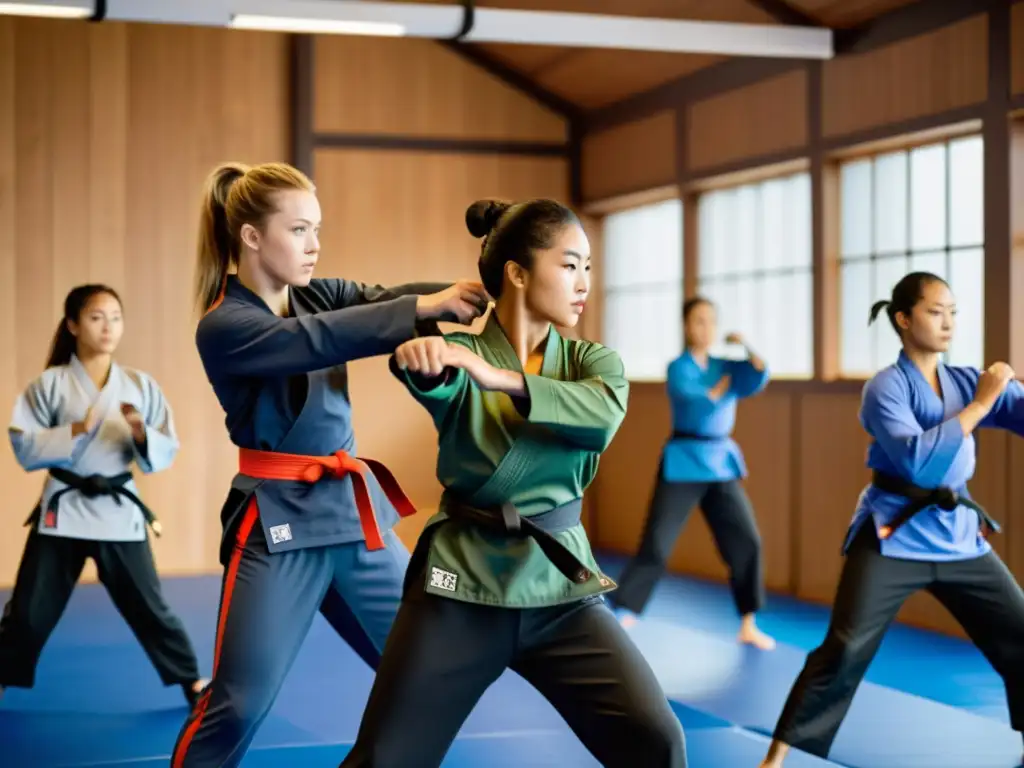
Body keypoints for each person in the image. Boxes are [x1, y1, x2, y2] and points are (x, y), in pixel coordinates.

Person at [339, 198, 687, 768]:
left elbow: (600, 418)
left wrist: (497, 378)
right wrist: (422, 358)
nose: (584, 283)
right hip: (461, 586)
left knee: (658, 740)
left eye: (589, 268)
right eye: (569, 265)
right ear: (518, 273)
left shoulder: (593, 361)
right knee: (385, 757)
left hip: (559, 589)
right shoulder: (461, 352)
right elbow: (437, 378)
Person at [170, 161, 491, 768]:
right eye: (299, 230)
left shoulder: (321, 293)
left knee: (431, 669)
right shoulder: (224, 325)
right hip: (276, 525)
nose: (315, 245)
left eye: (318, 229)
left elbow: (381, 301)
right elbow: (320, 340)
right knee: (239, 703)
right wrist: (428, 303)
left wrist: (469, 292)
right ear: (251, 236)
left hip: (352, 516)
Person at [760, 271, 1024, 767]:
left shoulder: (965, 380)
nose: (947, 322)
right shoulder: (884, 388)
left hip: (959, 537)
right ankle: (774, 761)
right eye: (934, 311)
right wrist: (984, 403)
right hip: (894, 534)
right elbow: (918, 462)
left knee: (1022, 636)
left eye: (952, 312)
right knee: (844, 648)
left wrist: (1001, 390)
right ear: (903, 319)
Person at [0, 284, 206, 707]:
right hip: (65, 505)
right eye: (96, 317)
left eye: (115, 316)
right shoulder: (50, 385)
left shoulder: (139, 385)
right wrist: (75, 430)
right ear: (73, 324)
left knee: (149, 607)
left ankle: (191, 680)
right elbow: (23, 443)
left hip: (117, 508)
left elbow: (165, 447)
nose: (108, 326)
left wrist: (140, 434)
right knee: (28, 610)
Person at [607, 296, 775, 650]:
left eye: (711, 321)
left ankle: (748, 621)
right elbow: (698, 400)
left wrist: (744, 345)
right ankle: (625, 610)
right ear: (686, 325)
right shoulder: (678, 367)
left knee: (747, 539)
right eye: (698, 321)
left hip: (720, 460)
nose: (706, 328)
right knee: (658, 541)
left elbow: (759, 374)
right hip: (683, 458)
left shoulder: (725, 364)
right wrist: (723, 385)